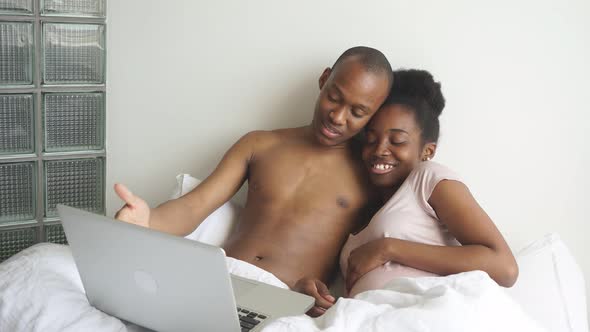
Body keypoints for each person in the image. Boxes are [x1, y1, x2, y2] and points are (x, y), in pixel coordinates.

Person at [113, 47, 393, 299]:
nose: (338, 116)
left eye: (358, 112)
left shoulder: (372, 177)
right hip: (219, 280)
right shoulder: (259, 144)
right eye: (334, 97)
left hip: (286, 297)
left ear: (375, 114)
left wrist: (313, 293)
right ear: (324, 79)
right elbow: (195, 206)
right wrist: (147, 219)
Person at [300, 69, 519, 316]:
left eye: (397, 141)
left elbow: (504, 267)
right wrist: (318, 298)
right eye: (371, 139)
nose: (380, 150)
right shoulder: (362, 210)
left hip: (426, 317)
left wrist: (388, 248)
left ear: (427, 151)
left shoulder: (428, 179)